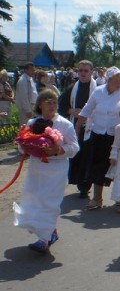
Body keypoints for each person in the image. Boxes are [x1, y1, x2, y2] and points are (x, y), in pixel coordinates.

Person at [13, 89, 79, 254]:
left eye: (54, 102)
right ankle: (50, 232)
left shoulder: (65, 124)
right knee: (34, 200)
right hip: (36, 168)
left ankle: (44, 240)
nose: (52, 105)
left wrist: (58, 150)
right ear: (40, 105)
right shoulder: (31, 123)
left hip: (56, 170)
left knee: (49, 203)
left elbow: (75, 148)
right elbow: (22, 150)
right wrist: (24, 142)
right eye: (48, 102)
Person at [75, 66, 120, 210]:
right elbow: (87, 108)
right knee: (97, 166)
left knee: (118, 167)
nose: (118, 84)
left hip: (119, 136)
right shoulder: (98, 92)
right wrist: (78, 125)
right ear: (108, 81)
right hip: (98, 134)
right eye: (116, 81)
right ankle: (97, 198)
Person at [58, 60, 97, 198]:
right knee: (78, 156)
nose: (83, 73)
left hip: (93, 129)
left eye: (86, 71)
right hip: (76, 128)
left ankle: (85, 186)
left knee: (89, 158)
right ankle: (79, 182)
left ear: (91, 72)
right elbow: (61, 107)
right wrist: (72, 111)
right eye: (80, 70)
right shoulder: (71, 88)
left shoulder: (98, 89)